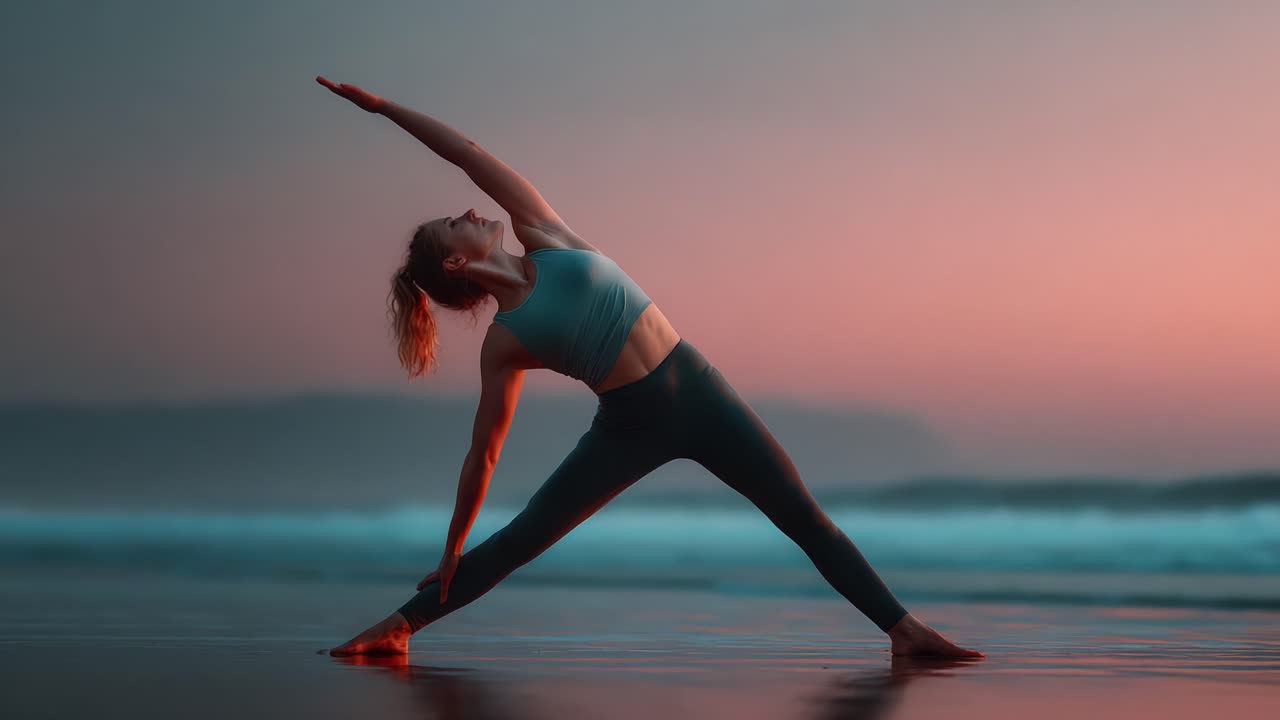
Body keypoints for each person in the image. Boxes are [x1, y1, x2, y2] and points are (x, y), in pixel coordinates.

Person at [315, 76, 984, 660]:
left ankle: (902, 630)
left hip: (700, 390)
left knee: (803, 517)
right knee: (522, 538)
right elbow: (484, 453)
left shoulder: (542, 234)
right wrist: (453, 545)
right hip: (628, 428)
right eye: (451, 225)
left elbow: (468, 154)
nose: (466, 211)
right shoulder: (506, 340)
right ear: (456, 264)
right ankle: (398, 627)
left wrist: (384, 109)